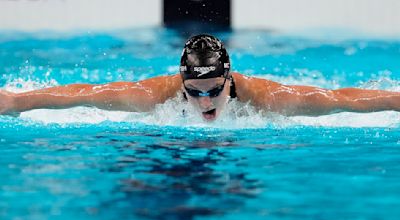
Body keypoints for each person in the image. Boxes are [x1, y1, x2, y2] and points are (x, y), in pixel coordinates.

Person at [0, 34, 399, 121]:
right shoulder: (148, 96)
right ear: (181, 83)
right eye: (194, 92)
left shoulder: (270, 98)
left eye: (214, 90)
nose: (206, 101)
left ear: (230, 80)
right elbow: (82, 93)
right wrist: (16, 102)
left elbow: (340, 98)